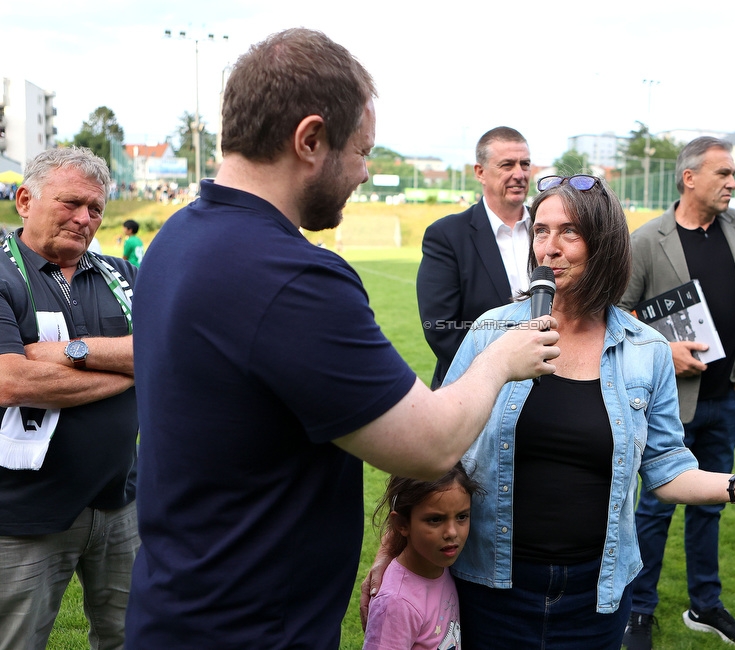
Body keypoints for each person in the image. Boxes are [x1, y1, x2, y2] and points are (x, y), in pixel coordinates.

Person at [125, 28, 559, 650]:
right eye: (361, 151)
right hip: (254, 629)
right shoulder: (294, 275)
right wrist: (502, 359)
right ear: (310, 140)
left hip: (175, 607)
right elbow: (431, 444)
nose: (363, 171)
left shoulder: (178, 238)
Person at [363, 174, 735, 650]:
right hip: (490, 585)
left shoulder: (646, 348)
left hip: (595, 597)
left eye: (569, 232)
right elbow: (438, 452)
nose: (548, 248)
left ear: (603, 245)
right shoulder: (494, 331)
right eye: (540, 231)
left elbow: (666, 468)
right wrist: (394, 549)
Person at [619, 137, 735, 649]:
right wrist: (666, 349)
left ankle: (705, 605)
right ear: (689, 178)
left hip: (725, 399)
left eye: (733, 175)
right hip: (669, 406)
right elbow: (617, 316)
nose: (733, 183)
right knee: (656, 509)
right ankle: (638, 609)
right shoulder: (645, 240)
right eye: (723, 174)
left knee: (712, 505)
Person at [0, 147, 139, 650]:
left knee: (134, 637)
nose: (85, 219)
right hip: (23, 518)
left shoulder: (121, 274)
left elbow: (167, 348)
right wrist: (133, 373)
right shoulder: (2, 273)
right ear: (24, 200)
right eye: (70, 203)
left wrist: (71, 352)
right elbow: (11, 381)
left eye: (96, 209)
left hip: (121, 503)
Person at [417, 127, 532, 387]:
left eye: (525, 164)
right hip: (473, 390)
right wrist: (505, 370)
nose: (519, 174)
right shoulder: (447, 235)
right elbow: (441, 328)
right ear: (480, 172)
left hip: (547, 388)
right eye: (507, 165)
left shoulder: (549, 227)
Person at [363, 463, 482, 650]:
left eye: (461, 517)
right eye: (435, 519)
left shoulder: (440, 568)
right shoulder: (397, 602)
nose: (451, 532)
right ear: (402, 523)